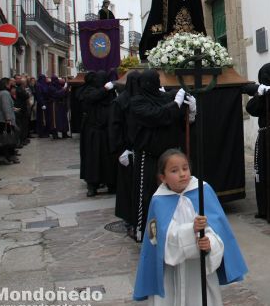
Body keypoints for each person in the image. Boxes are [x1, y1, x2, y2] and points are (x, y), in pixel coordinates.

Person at [133, 149, 247, 306]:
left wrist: (209, 246)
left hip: (199, 273)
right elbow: (159, 241)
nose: (182, 174)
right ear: (162, 177)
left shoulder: (203, 192)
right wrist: (190, 230)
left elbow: (218, 231)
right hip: (170, 276)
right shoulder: (159, 200)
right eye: (174, 170)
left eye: (185, 168)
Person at [130, 70, 195, 241]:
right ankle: (146, 232)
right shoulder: (137, 102)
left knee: (173, 194)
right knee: (149, 196)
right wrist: (176, 104)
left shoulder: (166, 97)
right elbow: (157, 116)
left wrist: (192, 110)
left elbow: (181, 121)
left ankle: (173, 230)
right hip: (150, 156)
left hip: (170, 157)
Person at [245, 63, 270, 221]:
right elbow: (251, 109)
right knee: (263, 171)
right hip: (264, 136)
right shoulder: (260, 92)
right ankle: (265, 208)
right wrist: (260, 96)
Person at [108, 70, 141, 238]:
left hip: (137, 150)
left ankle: (137, 221)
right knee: (128, 188)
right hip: (127, 151)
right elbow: (115, 128)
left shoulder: (141, 99)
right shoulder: (120, 101)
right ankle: (129, 221)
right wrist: (120, 150)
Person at [78, 71, 117, 197]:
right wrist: (105, 89)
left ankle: (111, 183)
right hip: (93, 131)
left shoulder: (109, 94)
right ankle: (92, 185)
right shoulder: (88, 91)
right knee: (93, 159)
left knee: (108, 159)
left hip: (107, 131)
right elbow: (91, 97)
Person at [0, 78, 20, 165]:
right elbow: (5, 106)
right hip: (4, 120)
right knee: (7, 139)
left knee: (4, 139)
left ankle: (6, 156)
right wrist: (8, 119)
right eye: (9, 84)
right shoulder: (5, 93)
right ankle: (6, 156)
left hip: (1, 119)